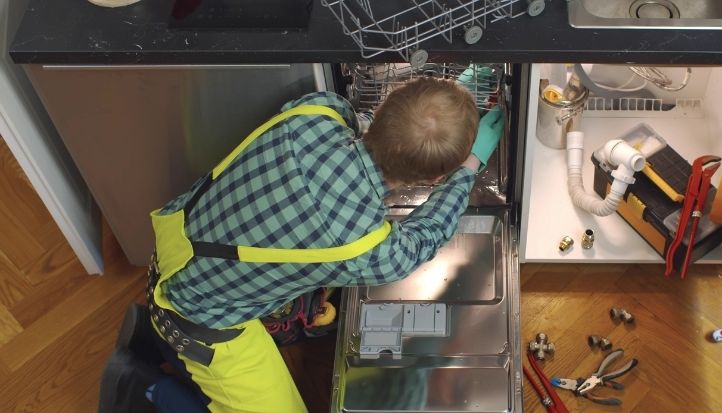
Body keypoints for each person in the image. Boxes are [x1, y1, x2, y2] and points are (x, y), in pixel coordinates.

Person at [97, 76, 505, 413]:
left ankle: (150, 334)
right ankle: (139, 385)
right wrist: (469, 168)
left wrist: (428, 126)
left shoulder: (317, 113)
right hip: (201, 321)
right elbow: (425, 237)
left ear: (382, 109)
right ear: (434, 181)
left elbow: (361, 124)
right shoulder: (361, 246)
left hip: (173, 252)